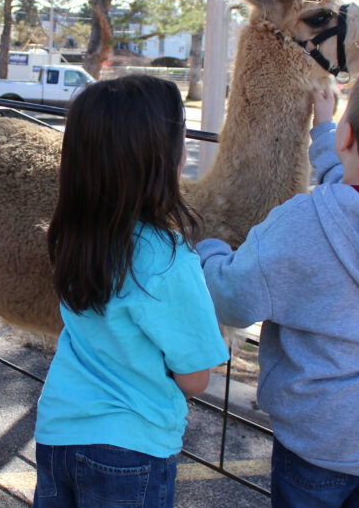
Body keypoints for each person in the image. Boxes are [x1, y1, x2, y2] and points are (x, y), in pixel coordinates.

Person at [198, 64, 359, 508]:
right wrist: (325, 131)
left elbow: (233, 300)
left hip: (319, 440)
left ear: (348, 138)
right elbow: (353, 195)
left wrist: (209, 250)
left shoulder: (303, 222)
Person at [33, 75, 229, 508]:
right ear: (164, 157)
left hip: (57, 435)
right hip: (131, 450)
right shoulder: (167, 259)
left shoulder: (74, 237)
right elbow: (195, 377)